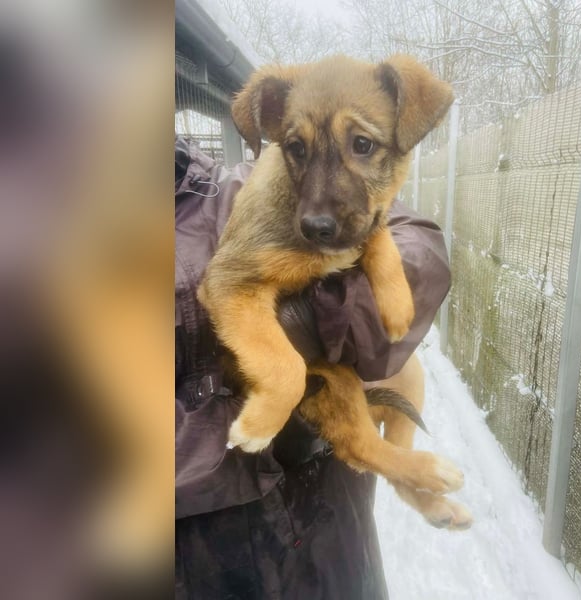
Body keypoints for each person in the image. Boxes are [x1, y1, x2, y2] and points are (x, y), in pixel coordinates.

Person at [174, 135, 451, 599]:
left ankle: (399, 462)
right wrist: (263, 403)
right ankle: (391, 461)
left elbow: (417, 238)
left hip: (327, 541)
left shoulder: (232, 186)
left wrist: (315, 320)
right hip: (199, 566)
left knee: (406, 368)